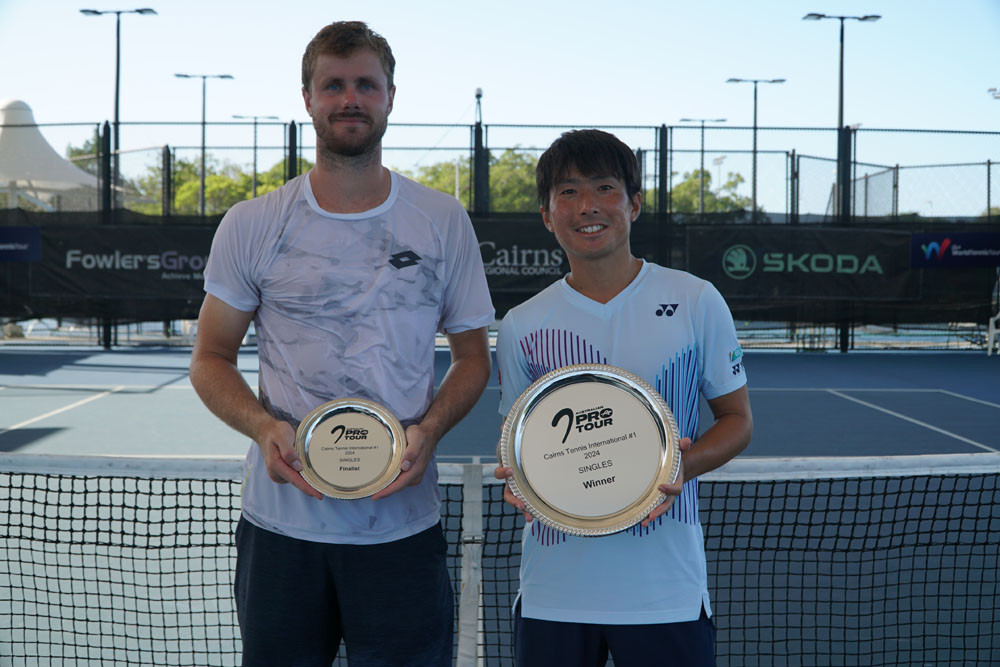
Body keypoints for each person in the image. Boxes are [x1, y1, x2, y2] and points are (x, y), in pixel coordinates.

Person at [189, 21, 494, 667]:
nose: (349, 98)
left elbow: (473, 357)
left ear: (389, 97)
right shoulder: (252, 223)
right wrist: (262, 426)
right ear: (308, 98)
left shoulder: (441, 220)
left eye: (365, 84)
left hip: (402, 529)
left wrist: (431, 430)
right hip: (281, 534)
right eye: (334, 84)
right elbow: (211, 357)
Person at [494, 129, 752, 667]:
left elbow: (737, 421)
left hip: (665, 594)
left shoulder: (695, 301)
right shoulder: (522, 326)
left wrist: (680, 465)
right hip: (554, 595)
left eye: (605, 188)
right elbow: (518, 444)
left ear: (633, 205)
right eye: (567, 193)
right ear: (547, 215)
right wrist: (518, 479)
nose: (587, 206)